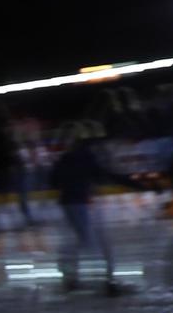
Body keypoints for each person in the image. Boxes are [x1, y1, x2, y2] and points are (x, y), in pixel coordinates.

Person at [49, 123, 143, 293]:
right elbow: (104, 174)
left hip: (72, 202)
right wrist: (135, 183)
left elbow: (54, 180)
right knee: (91, 241)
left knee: (84, 239)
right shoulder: (86, 156)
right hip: (79, 202)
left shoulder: (67, 157)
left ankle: (72, 276)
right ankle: (104, 280)